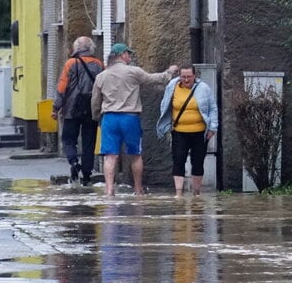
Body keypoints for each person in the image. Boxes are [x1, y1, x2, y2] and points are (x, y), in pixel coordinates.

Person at [91, 43, 178, 196]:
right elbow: (154, 79)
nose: (130, 57)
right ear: (122, 55)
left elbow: (95, 102)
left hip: (109, 118)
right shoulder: (133, 72)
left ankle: (109, 190)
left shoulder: (101, 76)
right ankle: (138, 189)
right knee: (135, 155)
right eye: (128, 54)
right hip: (130, 118)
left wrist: (97, 117)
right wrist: (169, 72)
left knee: (110, 156)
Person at [156, 65, 219, 197]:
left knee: (198, 161)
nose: (186, 80)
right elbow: (165, 103)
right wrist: (166, 123)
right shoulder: (172, 86)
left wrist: (213, 128)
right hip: (179, 131)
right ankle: (178, 193)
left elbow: (213, 108)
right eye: (183, 77)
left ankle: (196, 192)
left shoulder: (203, 88)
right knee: (178, 159)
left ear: (194, 76)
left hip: (200, 132)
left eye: (189, 77)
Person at [52, 37, 104, 186]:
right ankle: (87, 175)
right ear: (90, 48)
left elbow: (62, 87)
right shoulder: (99, 64)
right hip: (91, 108)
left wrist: (56, 108)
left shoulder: (70, 63)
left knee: (68, 140)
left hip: (71, 109)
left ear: (76, 48)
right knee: (89, 142)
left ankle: (74, 162)